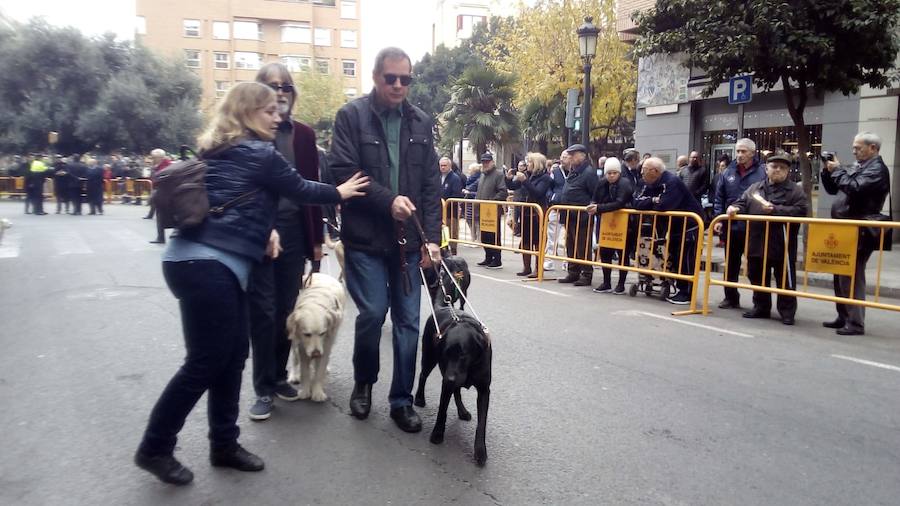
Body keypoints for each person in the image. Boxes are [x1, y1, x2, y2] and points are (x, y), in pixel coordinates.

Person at [134, 82, 368, 485]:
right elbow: (300, 189)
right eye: (268, 110)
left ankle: (224, 443)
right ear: (246, 114)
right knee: (206, 361)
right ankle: (155, 447)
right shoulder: (259, 153)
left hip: (189, 261)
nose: (278, 116)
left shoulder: (217, 150)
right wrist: (341, 191)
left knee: (231, 356)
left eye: (278, 110)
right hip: (211, 269)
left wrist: (265, 233)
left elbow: (232, 204)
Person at [328, 47, 441, 433]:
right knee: (374, 313)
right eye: (390, 78)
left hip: (409, 242)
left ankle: (401, 400)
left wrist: (433, 240)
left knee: (408, 322)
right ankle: (364, 382)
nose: (398, 85)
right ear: (376, 77)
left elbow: (430, 186)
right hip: (365, 238)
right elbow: (343, 173)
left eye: (405, 79)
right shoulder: (351, 116)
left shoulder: (422, 123)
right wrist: (388, 200)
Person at [245, 62, 331, 421]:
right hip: (258, 233)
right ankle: (263, 388)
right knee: (263, 313)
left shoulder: (304, 135)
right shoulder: (246, 132)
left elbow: (310, 188)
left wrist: (317, 241)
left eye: (285, 86)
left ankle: (279, 376)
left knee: (287, 311)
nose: (280, 91)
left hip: (295, 230)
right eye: (272, 85)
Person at [820, 132, 891, 336]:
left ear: (873, 149)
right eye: (854, 147)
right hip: (844, 228)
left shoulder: (877, 169)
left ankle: (855, 322)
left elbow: (855, 188)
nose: (854, 151)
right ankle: (843, 315)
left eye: (858, 148)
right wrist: (828, 171)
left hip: (860, 230)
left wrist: (838, 171)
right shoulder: (859, 166)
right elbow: (835, 189)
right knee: (839, 273)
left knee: (851, 275)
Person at [726, 153, 808, 325]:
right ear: (766, 169)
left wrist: (776, 210)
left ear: (788, 171)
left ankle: (787, 312)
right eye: (774, 166)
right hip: (757, 240)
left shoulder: (795, 190)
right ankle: (761, 307)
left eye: (782, 167)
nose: (778, 170)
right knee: (756, 275)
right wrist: (734, 208)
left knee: (785, 278)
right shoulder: (755, 188)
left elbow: (800, 210)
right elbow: (742, 202)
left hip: (782, 243)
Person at [632, 157, 704, 305]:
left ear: (654, 171)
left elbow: (665, 205)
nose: (641, 174)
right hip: (673, 227)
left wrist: (654, 202)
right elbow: (636, 202)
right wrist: (653, 200)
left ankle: (687, 293)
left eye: (644, 171)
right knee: (675, 258)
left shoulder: (671, 182)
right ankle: (680, 289)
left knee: (686, 259)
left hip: (690, 225)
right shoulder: (649, 184)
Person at [713, 138, 765, 309]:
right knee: (731, 265)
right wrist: (719, 218)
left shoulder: (762, 172)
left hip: (754, 227)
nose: (740, 155)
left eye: (743, 151)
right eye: (738, 151)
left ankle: (760, 302)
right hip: (731, 227)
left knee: (755, 266)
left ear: (752, 152)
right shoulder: (728, 172)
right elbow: (719, 197)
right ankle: (730, 297)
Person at [587, 157, 634, 294]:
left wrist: (599, 208)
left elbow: (620, 202)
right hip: (607, 223)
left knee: (622, 254)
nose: (611, 175)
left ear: (619, 172)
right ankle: (606, 282)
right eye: (609, 173)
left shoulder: (625, 183)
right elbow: (595, 198)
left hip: (625, 224)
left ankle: (621, 284)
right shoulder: (602, 183)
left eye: (614, 173)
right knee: (605, 253)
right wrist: (593, 205)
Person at [557, 144, 599, 287]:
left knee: (582, 246)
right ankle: (573, 271)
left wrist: (590, 208)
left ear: (582, 155)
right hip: (570, 214)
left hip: (582, 216)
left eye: (573, 154)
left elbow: (595, 193)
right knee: (571, 245)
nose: (571, 157)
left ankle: (586, 274)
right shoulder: (573, 171)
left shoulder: (588, 172)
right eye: (570, 154)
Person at [513, 152, 552, 277]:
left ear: (536, 164)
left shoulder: (545, 178)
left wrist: (525, 181)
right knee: (525, 240)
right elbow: (514, 186)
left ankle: (537, 268)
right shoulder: (528, 176)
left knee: (537, 241)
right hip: (526, 212)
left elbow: (538, 193)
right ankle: (526, 267)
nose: (527, 164)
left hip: (537, 213)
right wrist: (509, 178)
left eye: (529, 162)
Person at [475, 151, 507, 269]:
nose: (485, 164)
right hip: (482, 210)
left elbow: (503, 191)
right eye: (483, 162)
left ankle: (497, 259)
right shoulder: (483, 174)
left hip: (492, 210)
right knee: (484, 236)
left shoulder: (498, 174)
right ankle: (488, 257)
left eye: (487, 162)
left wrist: (492, 201)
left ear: (492, 162)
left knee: (494, 236)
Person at [543, 157, 567, 271]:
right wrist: (552, 197)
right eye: (562, 157)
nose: (564, 159)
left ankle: (568, 261)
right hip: (556, 207)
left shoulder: (576, 172)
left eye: (566, 157)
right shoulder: (555, 172)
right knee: (552, 236)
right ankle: (549, 260)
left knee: (569, 238)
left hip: (570, 208)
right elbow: (549, 188)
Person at [439, 156, 463, 255]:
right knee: (443, 232)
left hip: (451, 211)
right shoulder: (438, 177)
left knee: (452, 232)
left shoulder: (455, 178)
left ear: (449, 166)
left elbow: (456, 194)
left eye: (445, 165)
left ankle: (453, 252)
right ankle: (444, 250)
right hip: (440, 211)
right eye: (441, 165)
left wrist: (445, 203)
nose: (443, 167)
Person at [462, 162, 481, 243]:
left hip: (476, 203)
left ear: (474, 170)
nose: (468, 171)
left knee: (477, 221)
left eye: (470, 169)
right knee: (469, 220)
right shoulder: (470, 179)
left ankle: (478, 240)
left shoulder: (479, 178)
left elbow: (479, 192)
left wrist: (469, 192)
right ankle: (473, 239)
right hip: (469, 203)